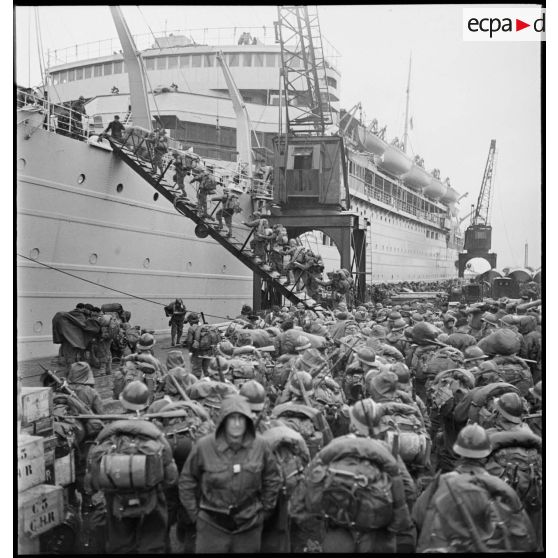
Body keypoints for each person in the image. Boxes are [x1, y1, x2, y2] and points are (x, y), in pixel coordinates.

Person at [178, 394, 282, 553]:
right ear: (223, 421)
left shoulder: (260, 445)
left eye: (241, 418)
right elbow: (187, 481)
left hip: (248, 525)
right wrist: (195, 515)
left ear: (248, 420)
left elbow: (272, 479)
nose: (237, 423)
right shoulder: (204, 446)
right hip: (211, 525)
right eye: (232, 418)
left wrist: (265, 511)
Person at [412, 423, 536, 552]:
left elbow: (418, 517)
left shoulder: (442, 482)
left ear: (459, 452)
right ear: (487, 455)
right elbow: (526, 534)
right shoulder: (500, 487)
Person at [86, 381, 178, 553]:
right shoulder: (156, 434)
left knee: (120, 545)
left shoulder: (108, 434)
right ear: (147, 402)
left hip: (117, 500)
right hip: (151, 497)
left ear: (123, 402)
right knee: (154, 543)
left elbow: (92, 480)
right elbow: (171, 478)